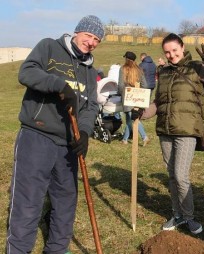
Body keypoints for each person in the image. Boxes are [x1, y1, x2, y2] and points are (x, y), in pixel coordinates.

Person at [6, 15, 104, 253]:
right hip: (37, 136)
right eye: (89, 36)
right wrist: (59, 85)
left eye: (97, 40)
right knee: (28, 203)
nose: (91, 42)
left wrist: (85, 132)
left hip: (69, 145)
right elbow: (26, 72)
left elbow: (91, 106)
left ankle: (57, 250)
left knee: (65, 205)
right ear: (78, 32)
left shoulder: (90, 72)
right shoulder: (49, 46)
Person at [137, 33, 204, 234]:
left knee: (180, 174)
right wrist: (141, 113)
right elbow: (158, 103)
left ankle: (189, 217)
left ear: (182, 47)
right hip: (165, 130)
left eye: (174, 50)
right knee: (171, 175)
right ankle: (177, 215)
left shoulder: (196, 68)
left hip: (187, 130)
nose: (171, 55)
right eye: (167, 52)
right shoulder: (165, 72)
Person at [118, 51, 150, 146]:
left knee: (134, 119)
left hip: (128, 96)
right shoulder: (139, 70)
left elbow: (120, 85)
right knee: (129, 118)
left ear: (126, 59)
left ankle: (145, 137)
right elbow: (145, 85)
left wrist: (121, 93)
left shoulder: (123, 69)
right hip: (137, 97)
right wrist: (141, 94)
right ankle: (125, 139)